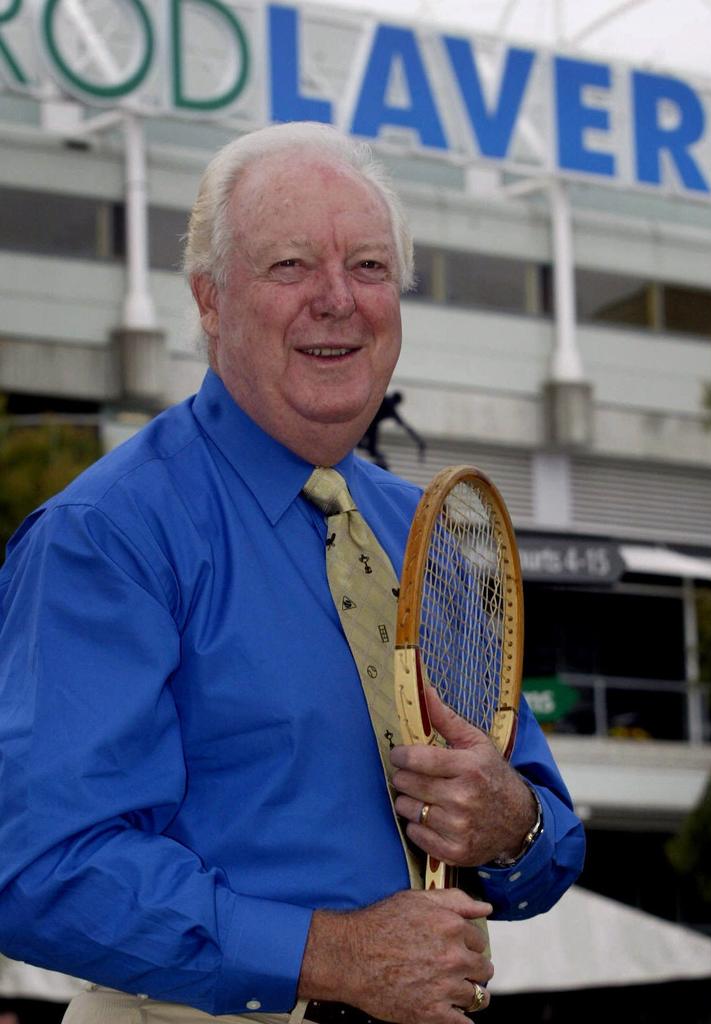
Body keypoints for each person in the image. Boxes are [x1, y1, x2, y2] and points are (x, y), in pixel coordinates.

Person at [0, 122, 585, 1024]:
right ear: (208, 299)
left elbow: (548, 841)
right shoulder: (106, 534)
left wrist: (512, 825)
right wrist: (332, 956)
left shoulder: (420, 532)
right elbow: (40, 868)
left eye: (369, 267)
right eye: (289, 267)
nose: (337, 301)